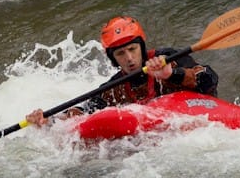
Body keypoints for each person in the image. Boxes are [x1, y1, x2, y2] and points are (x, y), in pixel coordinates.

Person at [27, 16, 218, 127]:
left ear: (141, 48)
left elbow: (210, 79)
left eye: (132, 49)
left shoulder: (168, 58)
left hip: (197, 121)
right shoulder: (113, 87)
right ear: (113, 59)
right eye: (120, 53)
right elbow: (85, 112)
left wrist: (172, 75)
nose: (128, 58)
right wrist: (49, 121)